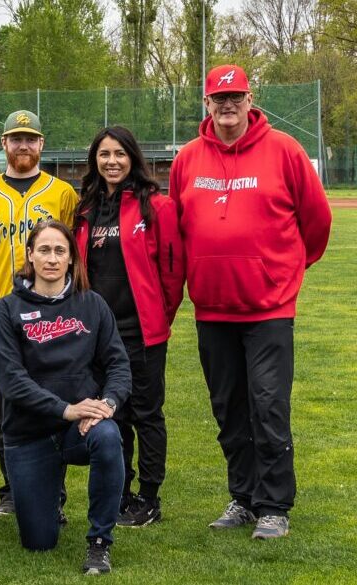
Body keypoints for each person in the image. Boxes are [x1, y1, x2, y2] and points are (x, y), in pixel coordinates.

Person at [168, 64, 332, 539]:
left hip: (268, 309)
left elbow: (317, 221)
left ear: (249, 99)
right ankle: (242, 498)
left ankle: (274, 505)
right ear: (206, 103)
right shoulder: (188, 159)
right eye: (219, 98)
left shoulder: (285, 150)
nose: (228, 105)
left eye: (235, 97)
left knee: (268, 407)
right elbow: (178, 228)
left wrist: (283, 271)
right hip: (212, 308)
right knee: (229, 410)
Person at [0, 219, 130, 575]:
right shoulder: (7, 310)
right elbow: (12, 382)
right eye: (44, 250)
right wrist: (66, 409)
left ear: (71, 258)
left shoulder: (92, 305)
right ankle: (48, 500)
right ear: (30, 255)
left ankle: (99, 543)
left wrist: (107, 405)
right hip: (30, 431)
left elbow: (118, 365)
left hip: (78, 430)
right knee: (39, 541)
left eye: (59, 251)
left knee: (108, 434)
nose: (52, 258)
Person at [0, 110, 78, 516]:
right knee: (6, 400)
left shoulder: (63, 193)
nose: (23, 145)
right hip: (2, 307)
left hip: (52, 308)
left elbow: (70, 250)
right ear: (4, 144)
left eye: (30, 138)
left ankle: (53, 493)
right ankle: (12, 489)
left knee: (54, 397)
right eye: (16, 138)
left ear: (41, 144)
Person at [73, 126, 184, 527]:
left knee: (146, 414)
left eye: (120, 154)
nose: (112, 161)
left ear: (133, 158)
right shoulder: (85, 209)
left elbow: (172, 272)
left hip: (142, 333)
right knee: (111, 415)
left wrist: (158, 317)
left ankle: (149, 498)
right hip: (99, 336)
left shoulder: (157, 206)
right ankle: (120, 492)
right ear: (95, 160)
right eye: (104, 154)